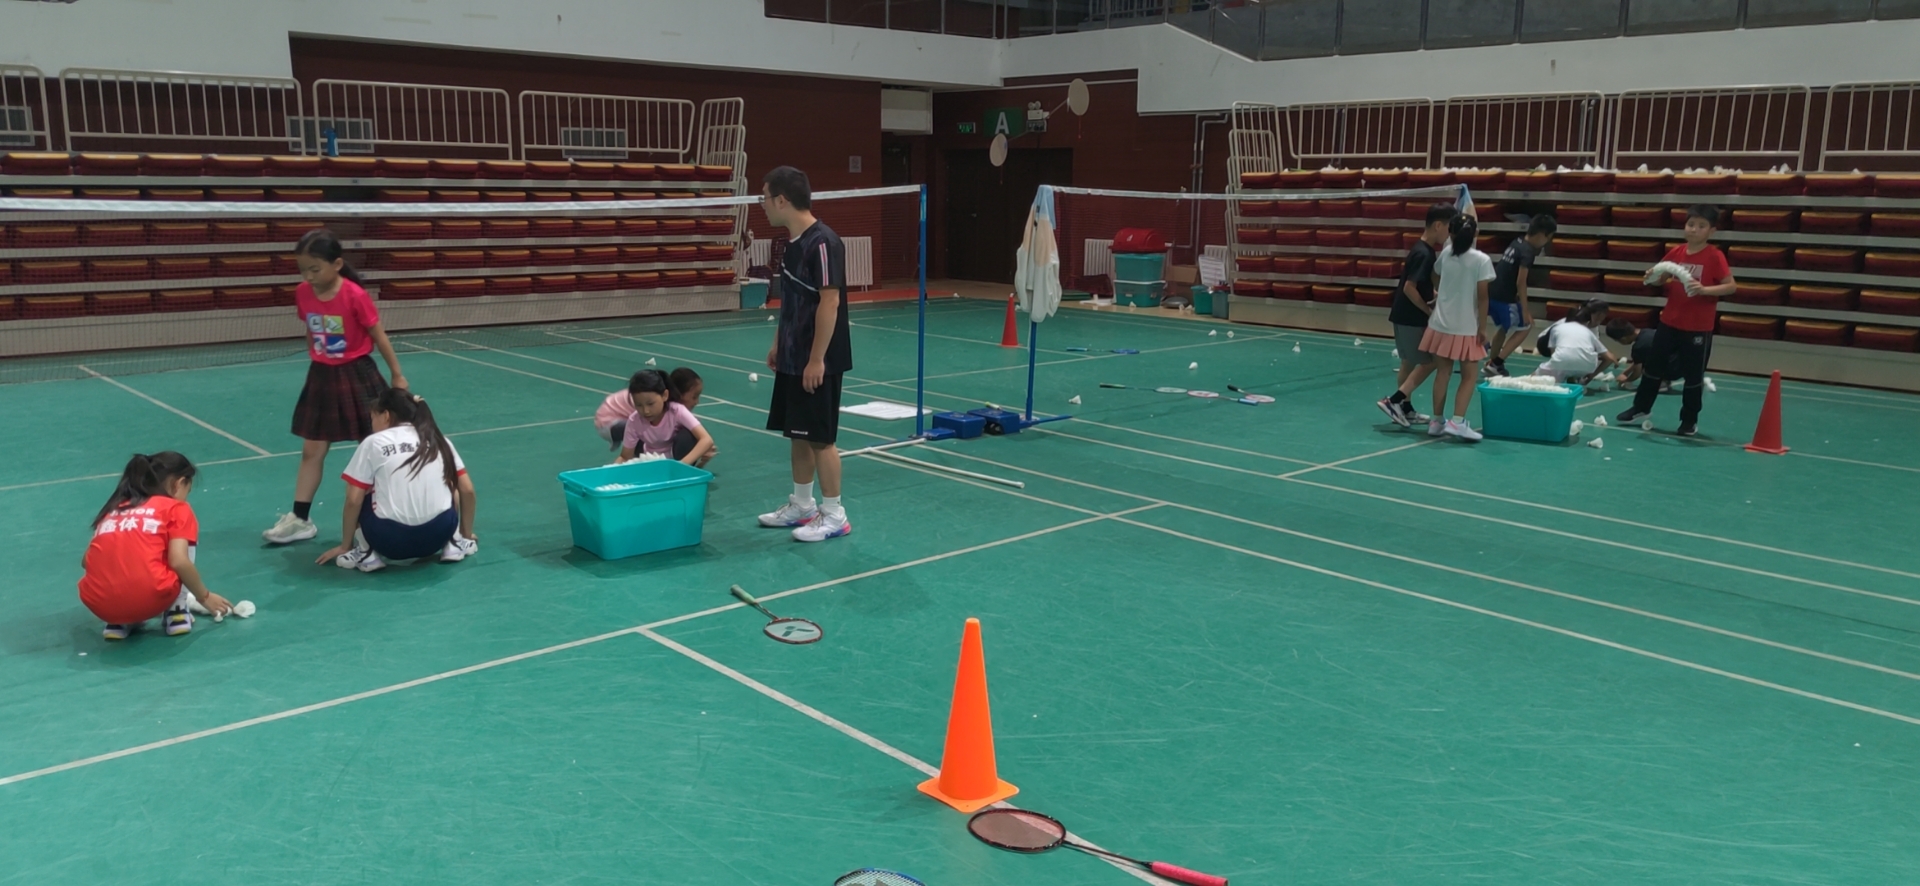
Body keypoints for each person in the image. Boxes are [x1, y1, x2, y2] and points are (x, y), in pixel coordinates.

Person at [264, 229, 407, 546]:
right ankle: (300, 519)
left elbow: (379, 335)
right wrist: (316, 358)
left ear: (337, 264)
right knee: (311, 450)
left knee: (374, 446)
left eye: (315, 269)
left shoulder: (355, 295)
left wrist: (397, 375)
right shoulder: (303, 292)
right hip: (322, 377)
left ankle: (389, 511)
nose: (308, 276)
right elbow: (310, 328)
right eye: (303, 270)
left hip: (357, 374)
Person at [756, 166, 854, 542]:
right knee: (798, 433)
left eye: (764, 197)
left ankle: (834, 514)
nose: (763, 205)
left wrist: (817, 359)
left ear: (782, 200)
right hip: (793, 355)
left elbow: (830, 303)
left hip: (818, 359)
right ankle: (802, 505)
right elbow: (793, 301)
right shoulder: (790, 244)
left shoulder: (823, 243)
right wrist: (779, 343)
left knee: (821, 439)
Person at [317, 389, 477, 572]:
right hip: (438, 537)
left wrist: (345, 545)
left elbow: (353, 500)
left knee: (360, 487)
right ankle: (455, 542)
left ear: (386, 415)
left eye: (373, 418)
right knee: (450, 482)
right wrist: (467, 534)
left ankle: (366, 552)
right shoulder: (439, 440)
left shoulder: (374, 442)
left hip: (389, 542)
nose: (372, 424)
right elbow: (467, 490)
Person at [79, 452, 232, 640]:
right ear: (179, 483)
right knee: (179, 542)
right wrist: (205, 598)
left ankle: (118, 622)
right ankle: (177, 612)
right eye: (188, 490)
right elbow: (179, 561)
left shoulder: (115, 508)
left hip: (101, 606)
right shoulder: (176, 508)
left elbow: (86, 562)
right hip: (150, 599)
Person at [1617, 205, 1736, 436]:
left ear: (1711, 231)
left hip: (1698, 327)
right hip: (1669, 323)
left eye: (1701, 226)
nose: (1694, 229)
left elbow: (1731, 286)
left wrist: (1704, 290)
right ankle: (1641, 408)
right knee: (1653, 367)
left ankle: (1688, 421)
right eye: (1691, 224)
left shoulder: (1714, 256)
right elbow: (1660, 277)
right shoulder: (1677, 253)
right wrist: (1651, 277)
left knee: (1693, 376)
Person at [1405, 212, 1495, 440]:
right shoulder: (1481, 260)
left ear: (1451, 234)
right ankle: (1458, 422)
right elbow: (1483, 297)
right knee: (1469, 376)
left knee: (1442, 373)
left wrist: (1445, 293)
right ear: (1475, 234)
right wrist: (1482, 327)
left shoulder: (1446, 254)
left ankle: (1436, 422)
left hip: (1440, 324)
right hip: (1465, 326)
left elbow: (1435, 277)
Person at [1377, 203, 1457, 425]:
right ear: (1438, 225)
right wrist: (1428, 310)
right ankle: (1393, 402)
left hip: (1406, 316)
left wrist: (1434, 295)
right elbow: (1409, 288)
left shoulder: (1424, 249)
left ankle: (1405, 408)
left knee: (1408, 363)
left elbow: (1419, 284)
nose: (1450, 234)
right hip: (1410, 318)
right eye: (1449, 228)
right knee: (1431, 361)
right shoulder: (1424, 254)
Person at [1486, 214, 1556, 377]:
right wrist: (1525, 310)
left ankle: (1492, 362)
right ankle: (1497, 363)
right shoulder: (1528, 252)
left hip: (1492, 293)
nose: (1547, 242)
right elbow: (1521, 282)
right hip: (1505, 297)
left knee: (1503, 328)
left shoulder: (1516, 242)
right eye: (1548, 238)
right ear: (1542, 234)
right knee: (1525, 326)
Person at [617, 369, 715, 466]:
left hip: (676, 462)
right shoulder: (634, 420)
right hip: (650, 461)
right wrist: (611, 471)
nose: (646, 411)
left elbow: (706, 439)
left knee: (687, 436)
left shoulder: (677, 411)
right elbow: (625, 457)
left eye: (650, 404)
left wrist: (680, 466)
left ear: (665, 395)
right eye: (639, 405)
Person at [1535, 310, 1633, 385]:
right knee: (1571, 367)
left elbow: (1554, 355)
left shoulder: (1556, 328)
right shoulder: (1589, 332)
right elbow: (1610, 358)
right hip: (1587, 368)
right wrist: (1592, 375)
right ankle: (1576, 379)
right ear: (1586, 322)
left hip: (1562, 362)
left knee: (1534, 378)